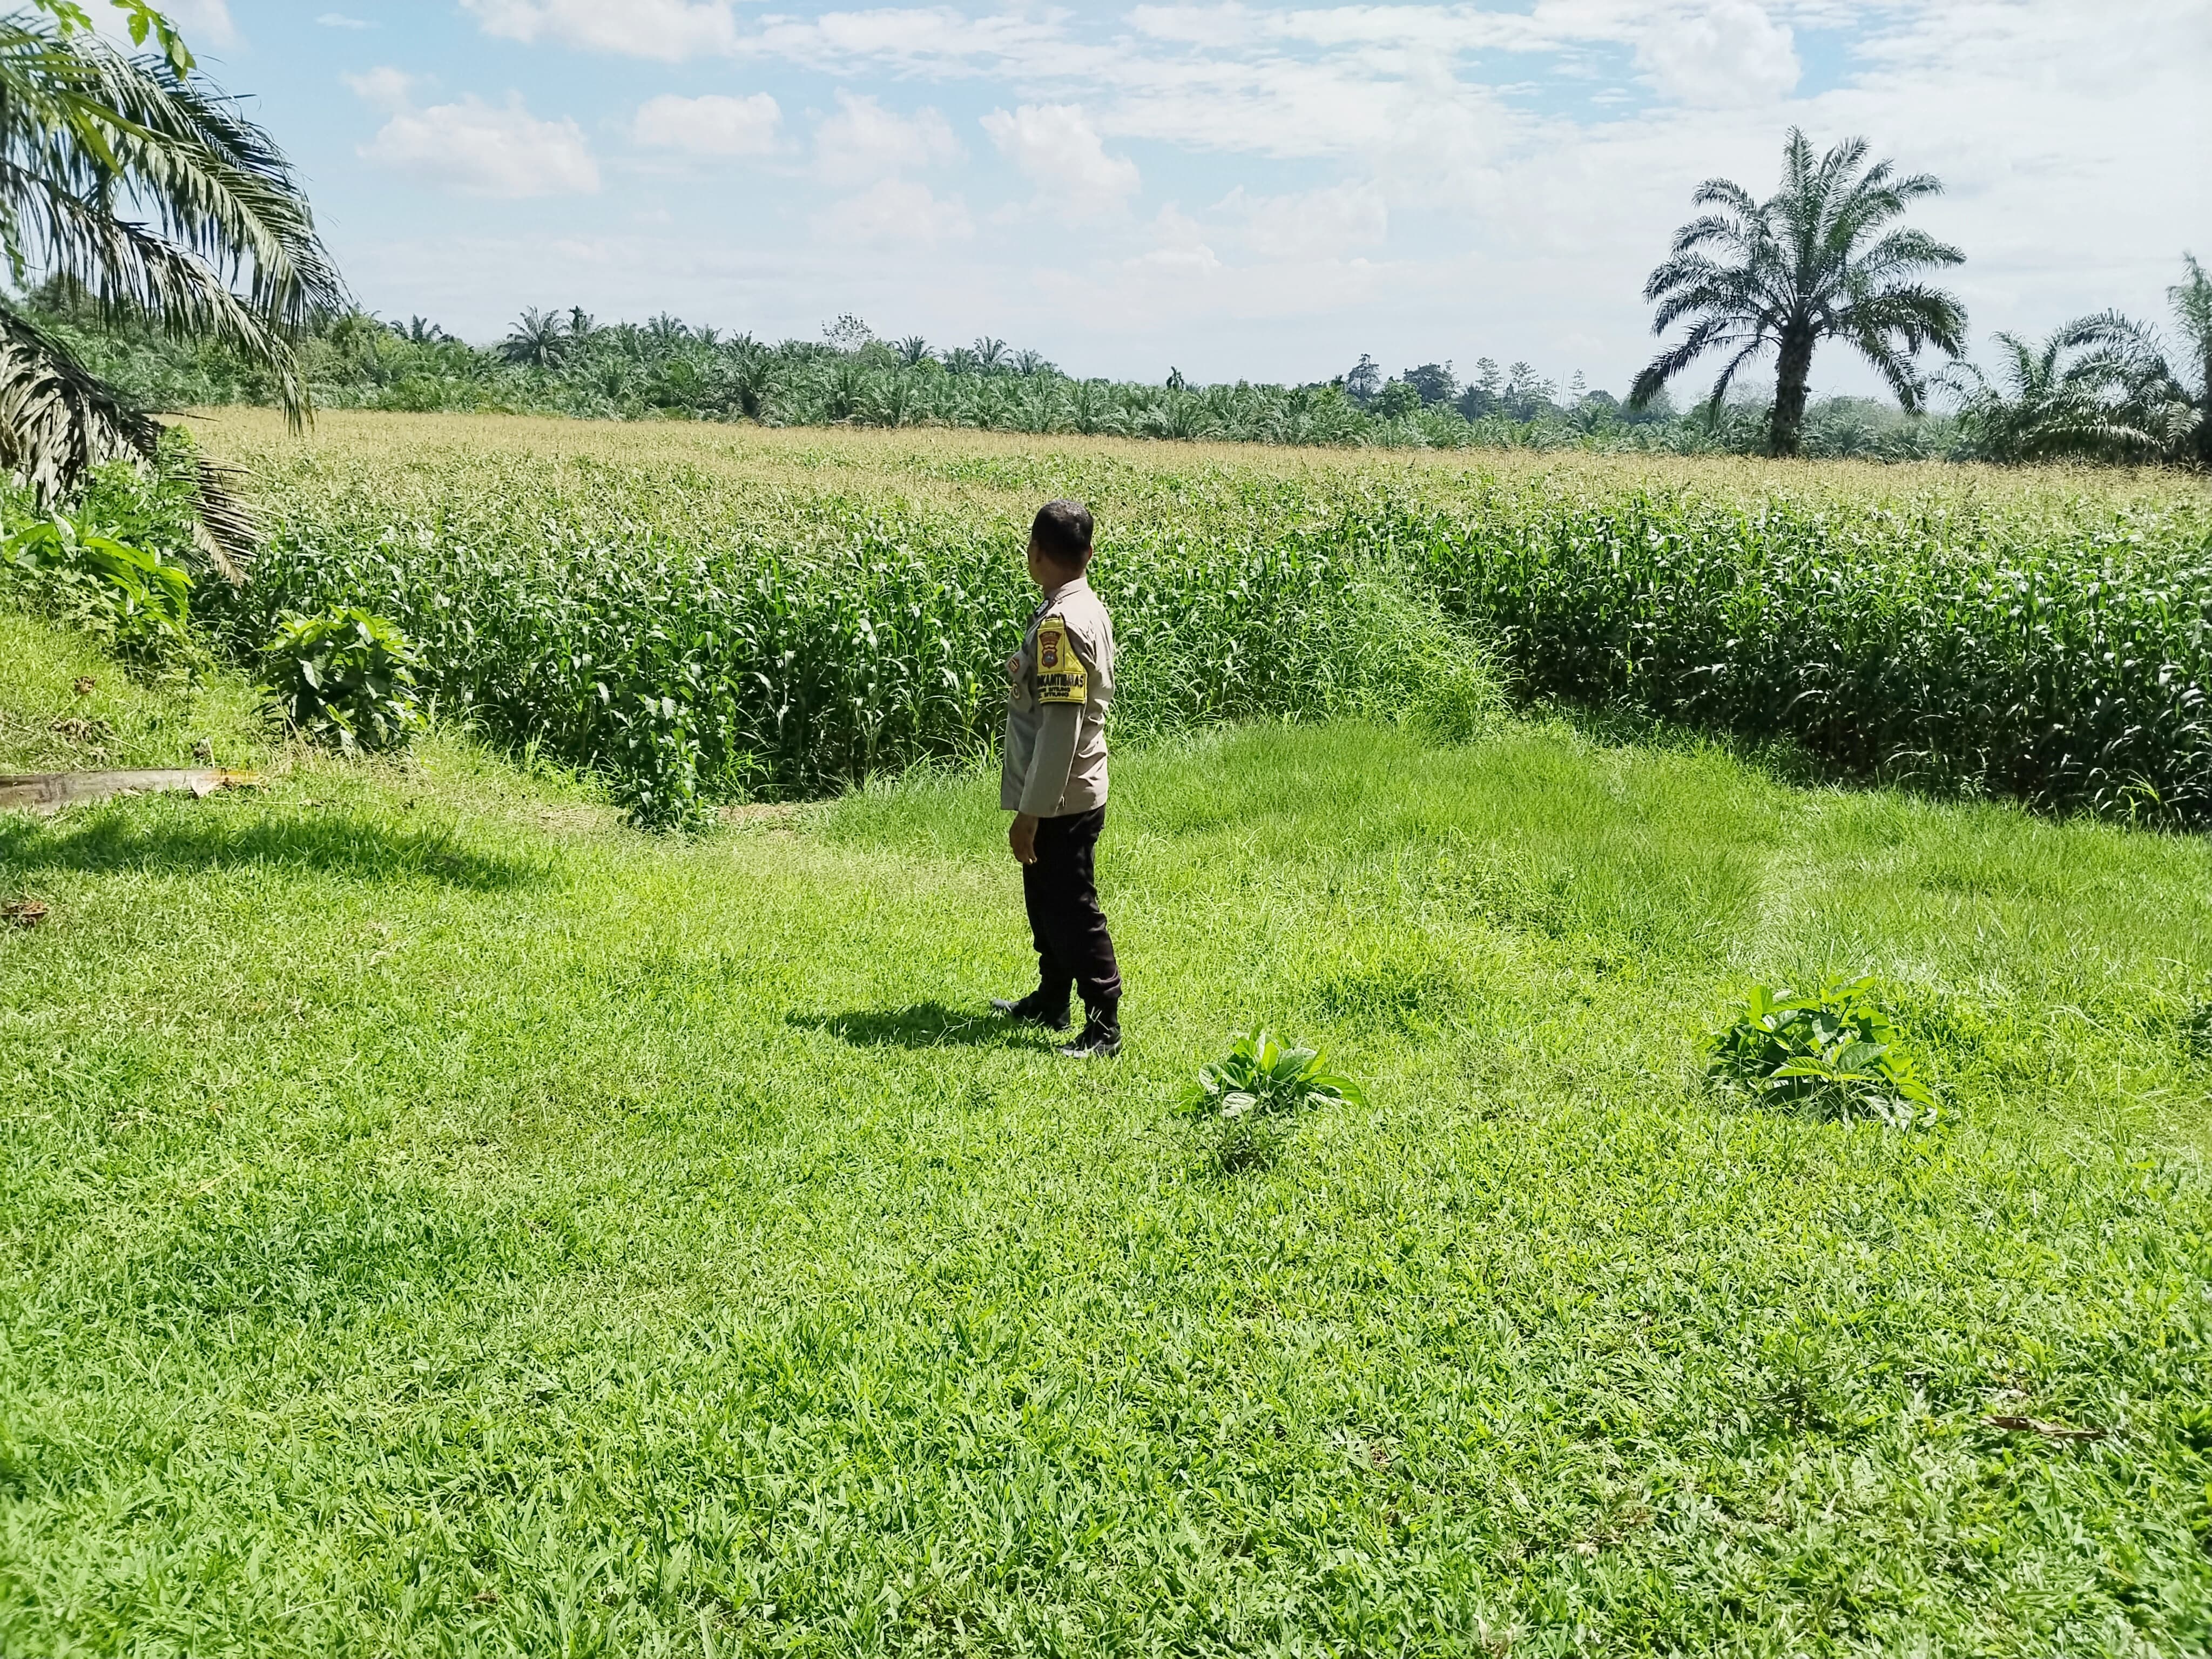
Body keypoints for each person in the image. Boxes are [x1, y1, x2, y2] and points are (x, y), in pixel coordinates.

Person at [991, 500, 1122, 1057]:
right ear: (1089, 554)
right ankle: (1051, 999)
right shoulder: (1084, 605)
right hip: (1067, 790)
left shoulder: (1060, 624)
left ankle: (1103, 1025)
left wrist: (1032, 811)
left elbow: (1059, 730)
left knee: (1072, 909)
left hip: (1061, 797)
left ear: (1035, 554)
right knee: (1045, 901)